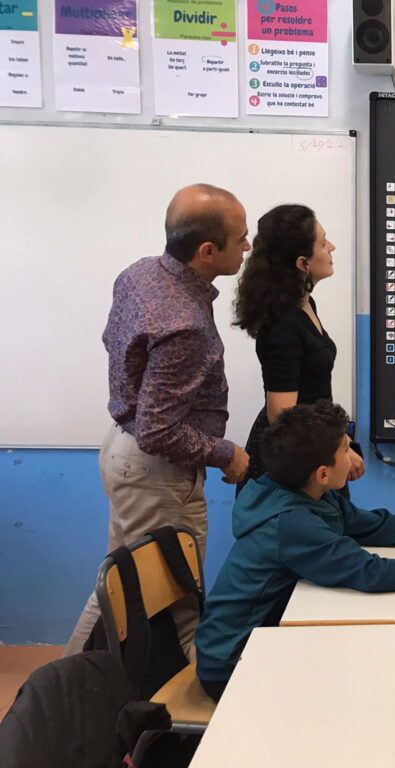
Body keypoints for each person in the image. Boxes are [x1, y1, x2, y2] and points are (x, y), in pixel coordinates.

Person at [195, 400, 395, 700]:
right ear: (323, 474)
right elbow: (372, 573)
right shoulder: (293, 523)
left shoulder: (308, 493)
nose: (353, 456)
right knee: (368, 680)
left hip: (257, 643)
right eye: (345, 449)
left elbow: (378, 525)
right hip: (232, 663)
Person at [65, 184, 252, 656]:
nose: (248, 246)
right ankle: (201, 701)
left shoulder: (140, 273)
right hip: (156, 474)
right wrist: (226, 454)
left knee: (118, 589)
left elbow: (114, 344)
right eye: (241, 238)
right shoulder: (185, 322)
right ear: (207, 251)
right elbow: (159, 429)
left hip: (124, 453)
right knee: (181, 607)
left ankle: (65, 687)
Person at [232, 204, 363, 493]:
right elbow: (281, 415)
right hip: (295, 465)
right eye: (323, 243)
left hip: (314, 451)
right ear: (303, 263)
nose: (332, 247)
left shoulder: (304, 305)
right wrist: (337, 446)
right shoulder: (283, 324)